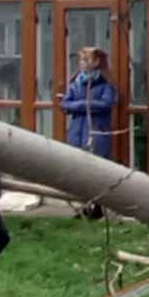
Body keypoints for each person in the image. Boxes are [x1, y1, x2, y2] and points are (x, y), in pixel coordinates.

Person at [60, 45, 118, 218]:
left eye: (86, 60)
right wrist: (83, 105)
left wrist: (84, 105)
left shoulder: (105, 84)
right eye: (81, 60)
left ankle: (98, 206)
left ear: (97, 62)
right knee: (79, 171)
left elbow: (107, 104)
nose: (82, 64)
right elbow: (65, 104)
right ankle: (83, 206)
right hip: (77, 132)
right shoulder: (76, 83)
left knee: (95, 171)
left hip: (96, 132)